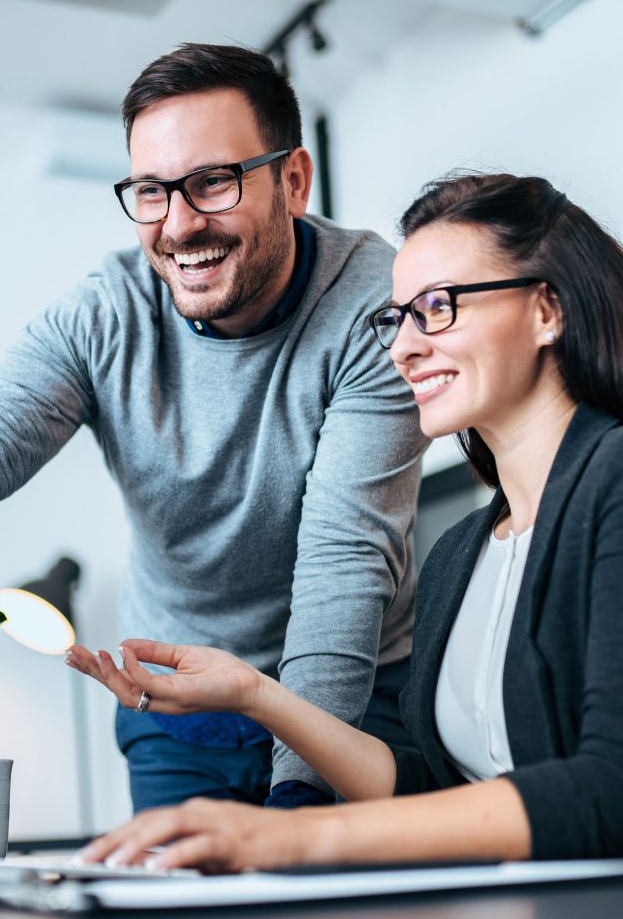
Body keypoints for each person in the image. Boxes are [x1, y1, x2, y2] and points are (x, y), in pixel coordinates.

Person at [0, 43, 425, 812]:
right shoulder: (105, 314)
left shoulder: (378, 308)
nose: (179, 225)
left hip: (350, 697)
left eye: (213, 183)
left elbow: (345, 566)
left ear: (293, 181)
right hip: (174, 703)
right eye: (152, 191)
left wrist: (301, 812)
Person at [67, 171, 623, 870]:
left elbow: (610, 786)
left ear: (549, 310)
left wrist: (293, 836)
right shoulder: (458, 554)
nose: (404, 348)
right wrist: (255, 694)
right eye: (397, 318)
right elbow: (440, 791)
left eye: (439, 307)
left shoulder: (613, 483)